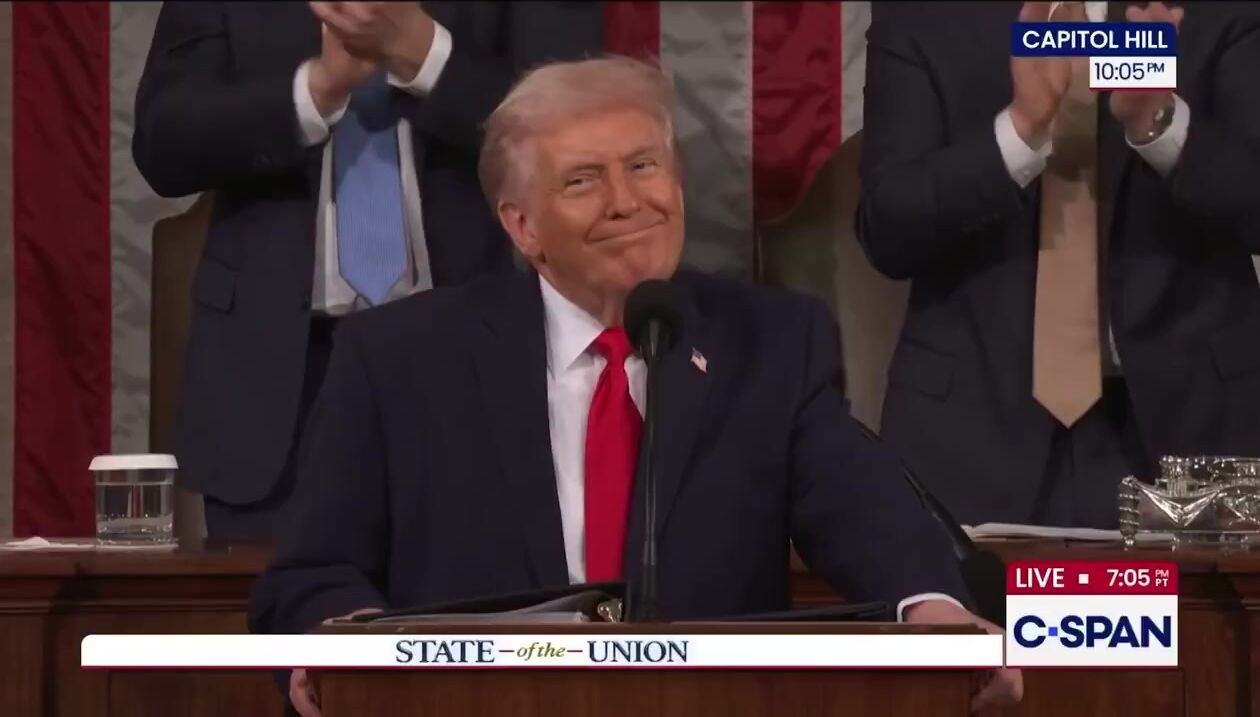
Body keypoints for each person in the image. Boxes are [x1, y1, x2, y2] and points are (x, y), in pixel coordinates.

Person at [250, 56, 1022, 716]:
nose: (627, 200)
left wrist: (933, 606)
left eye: (644, 166)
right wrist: (354, 650)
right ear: (521, 225)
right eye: (583, 179)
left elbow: (857, 505)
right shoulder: (401, 358)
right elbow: (313, 574)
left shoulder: (771, 342)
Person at [132, 2, 602, 543]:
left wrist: (423, 56)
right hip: (276, 385)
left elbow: (578, 131)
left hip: (473, 355)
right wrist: (315, 92)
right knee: (284, 594)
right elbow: (162, 141)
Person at [857, 1, 1260, 528]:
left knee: (1181, 593)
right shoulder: (924, 12)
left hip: (1189, 433)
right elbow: (887, 232)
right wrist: (1018, 133)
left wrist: (1160, 123)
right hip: (970, 435)